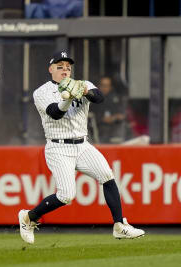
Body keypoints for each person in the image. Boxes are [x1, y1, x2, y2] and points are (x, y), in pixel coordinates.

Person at [18, 51, 145, 244]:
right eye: (59, 67)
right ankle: (28, 217)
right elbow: (54, 113)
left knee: (107, 176)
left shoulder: (82, 84)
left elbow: (99, 97)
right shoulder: (41, 92)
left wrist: (84, 91)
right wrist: (67, 98)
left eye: (68, 67)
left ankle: (119, 226)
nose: (65, 70)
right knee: (66, 196)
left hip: (82, 144)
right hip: (58, 147)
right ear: (50, 69)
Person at [90, 76, 127, 143]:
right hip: (100, 130)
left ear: (111, 87)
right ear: (98, 86)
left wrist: (118, 116)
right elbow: (92, 117)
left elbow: (123, 113)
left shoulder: (116, 99)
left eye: (107, 85)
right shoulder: (94, 100)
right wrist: (103, 119)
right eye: (103, 85)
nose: (105, 88)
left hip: (116, 127)